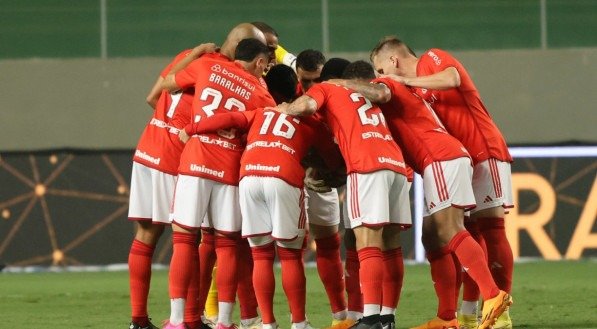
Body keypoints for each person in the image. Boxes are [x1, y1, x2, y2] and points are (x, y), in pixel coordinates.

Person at [327, 47, 512, 329]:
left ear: (390, 62)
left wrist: (337, 84)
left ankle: (492, 295)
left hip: (440, 157)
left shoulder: (389, 82)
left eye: (380, 70)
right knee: (436, 234)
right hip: (446, 157)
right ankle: (449, 317)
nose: (380, 76)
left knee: (452, 230)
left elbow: (381, 92)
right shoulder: (416, 93)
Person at [180, 63, 338, 329]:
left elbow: (228, 119)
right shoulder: (310, 120)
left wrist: (192, 128)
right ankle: (299, 323)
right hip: (283, 176)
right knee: (289, 255)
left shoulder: (258, 113)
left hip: (249, 176)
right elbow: (332, 160)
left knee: (261, 255)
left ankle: (266, 324)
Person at [278, 59, 412, 329]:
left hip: (366, 166)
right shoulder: (370, 93)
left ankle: (371, 318)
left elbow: (306, 105)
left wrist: (284, 108)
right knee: (390, 243)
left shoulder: (327, 89)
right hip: (397, 165)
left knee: (367, 240)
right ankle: (387, 317)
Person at [160, 35, 276, 329]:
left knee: (184, 240)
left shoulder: (208, 66)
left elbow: (169, 83)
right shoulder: (261, 94)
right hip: (229, 169)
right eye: (264, 66)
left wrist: (196, 54)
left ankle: (176, 320)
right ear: (260, 62)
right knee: (226, 246)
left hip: (196, 160)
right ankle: (224, 321)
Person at [127, 43, 218, 329]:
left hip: (147, 148)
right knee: (191, 238)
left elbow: (152, 97)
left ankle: (138, 320)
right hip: (176, 159)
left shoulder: (186, 57)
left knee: (145, 235)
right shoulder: (220, 74)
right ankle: (190, 318)